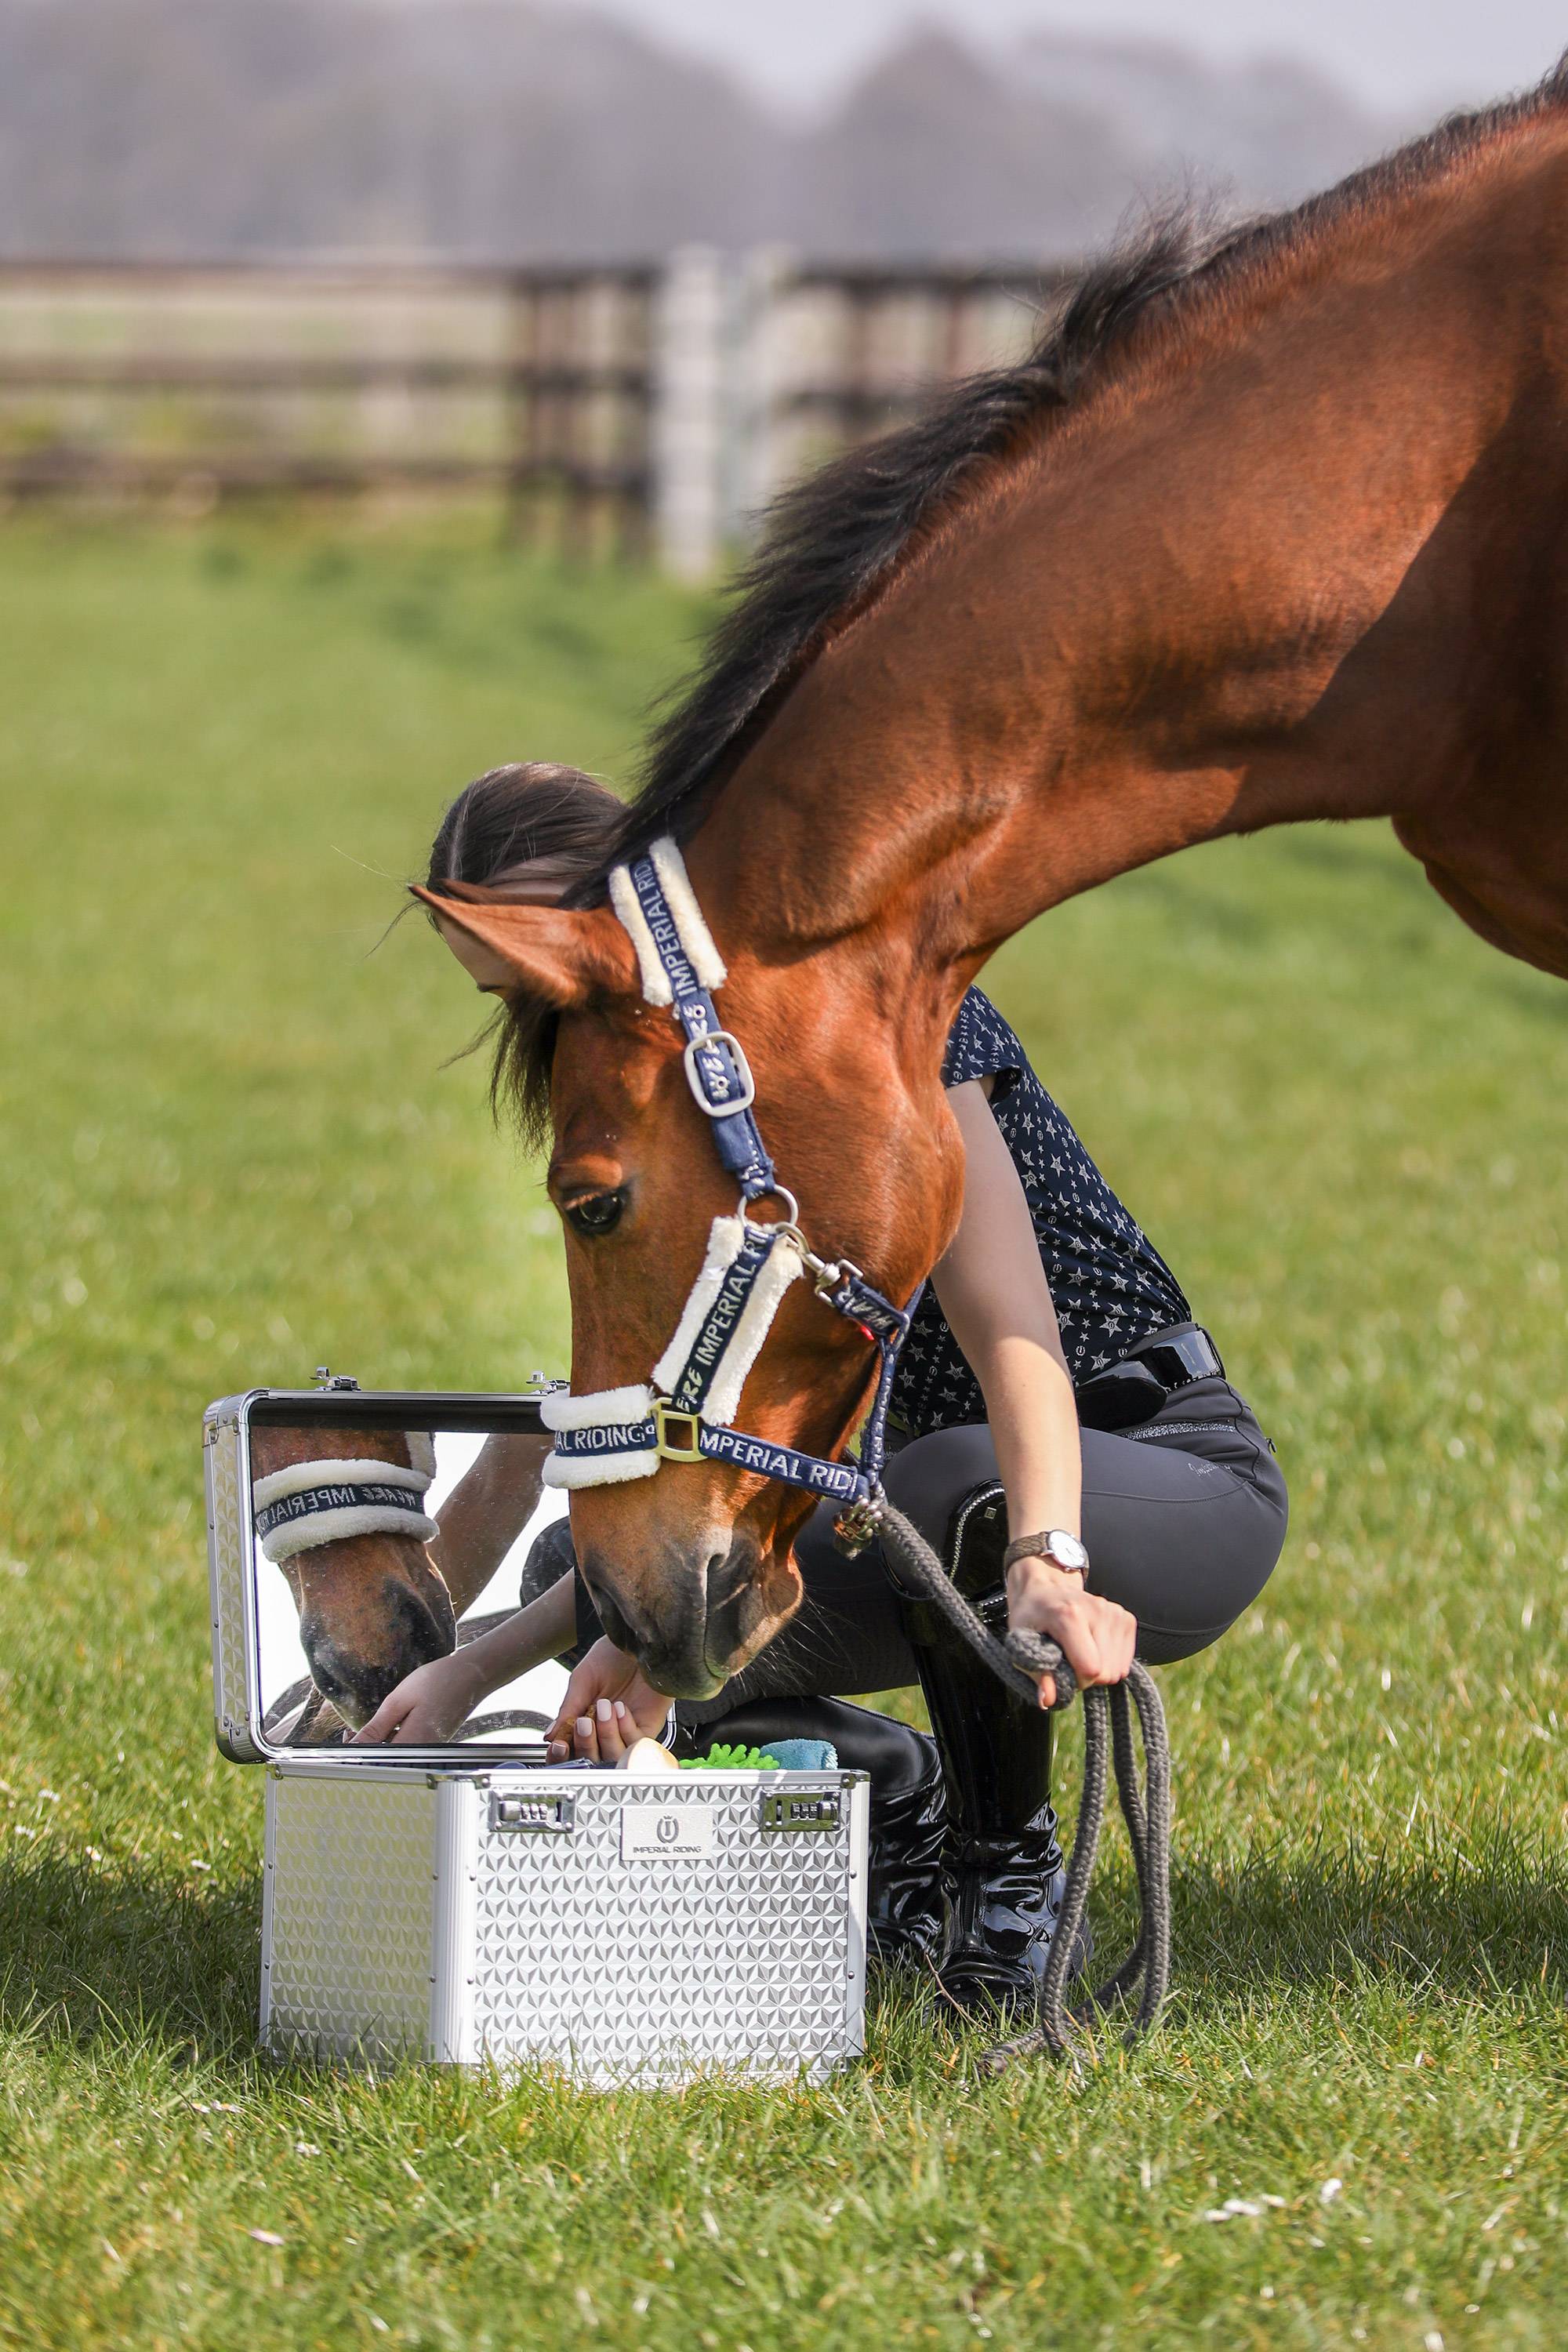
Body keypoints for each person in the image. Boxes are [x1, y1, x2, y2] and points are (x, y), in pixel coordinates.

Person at [358, 760, 1289, 2017]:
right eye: (506, 994)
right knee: (607, 1591)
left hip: (1137, 1460)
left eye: (552, 965)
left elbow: (1015, 1329)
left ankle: (1004, 1894)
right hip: (904, 1506)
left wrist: (1051, 1552)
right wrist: (492, 1666)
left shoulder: (882, 1027)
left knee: (954, 1485)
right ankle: (898, 1803)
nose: (547, 1014)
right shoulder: (686, 1129)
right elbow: (735, 1457)